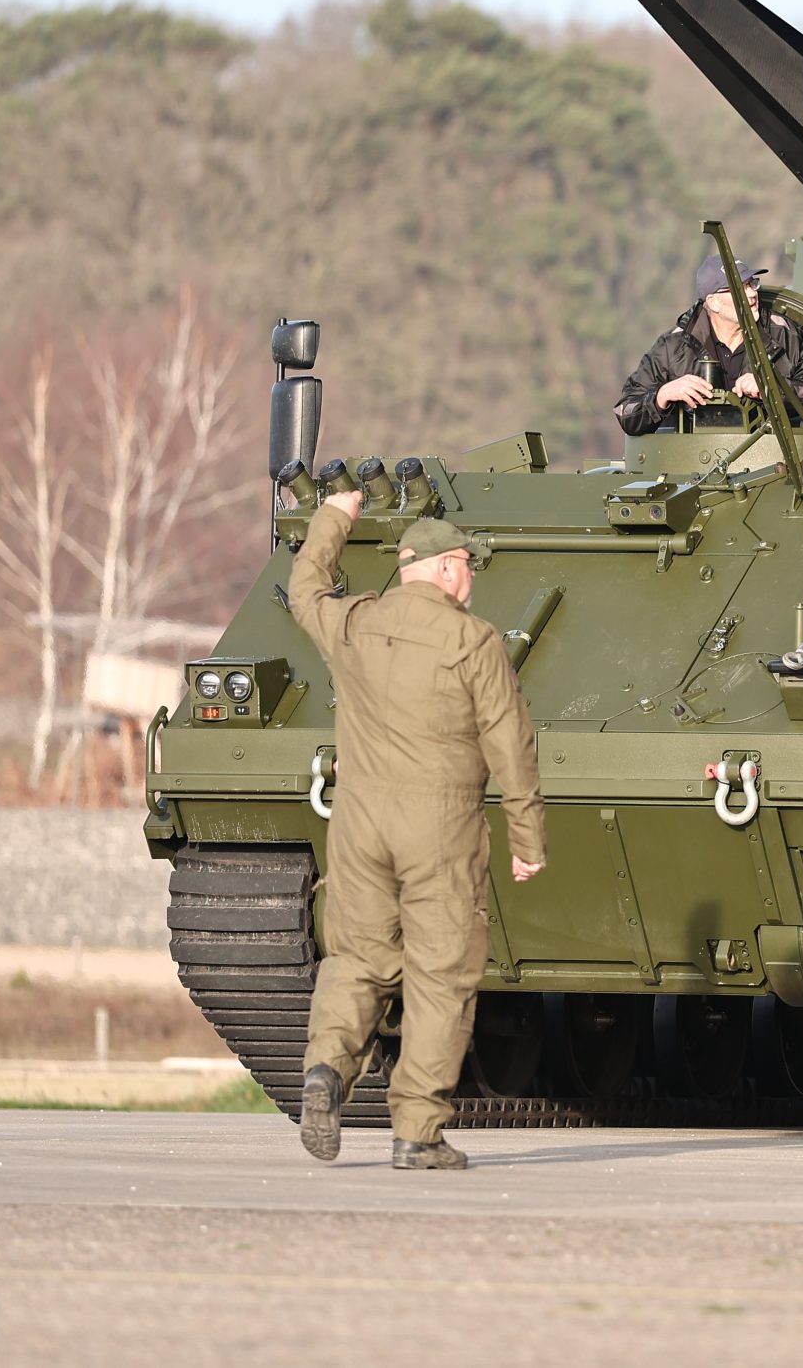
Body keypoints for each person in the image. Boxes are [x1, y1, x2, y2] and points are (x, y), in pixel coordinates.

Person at [287, 490, 544, 1172]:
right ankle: (417, 1133)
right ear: (447, 567)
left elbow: (304, 588)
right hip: (439, 829)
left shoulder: (355, 624)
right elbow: (510, 745)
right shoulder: (474, 641)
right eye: (467, 565)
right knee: (441, 975)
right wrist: (527, 841)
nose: (470, 578)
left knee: (356, 958)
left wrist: (334, 516)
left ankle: (325, 1073)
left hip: (359, 824)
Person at [614, 251, 803, 435]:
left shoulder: (786, 335)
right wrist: (663, 395)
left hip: (773, 461)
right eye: (740, 288)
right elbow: (626, 412)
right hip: (694, 466)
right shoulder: (673, 346)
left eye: (752, 284)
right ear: (714, 303)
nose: (752, 294)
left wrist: (773, 388)